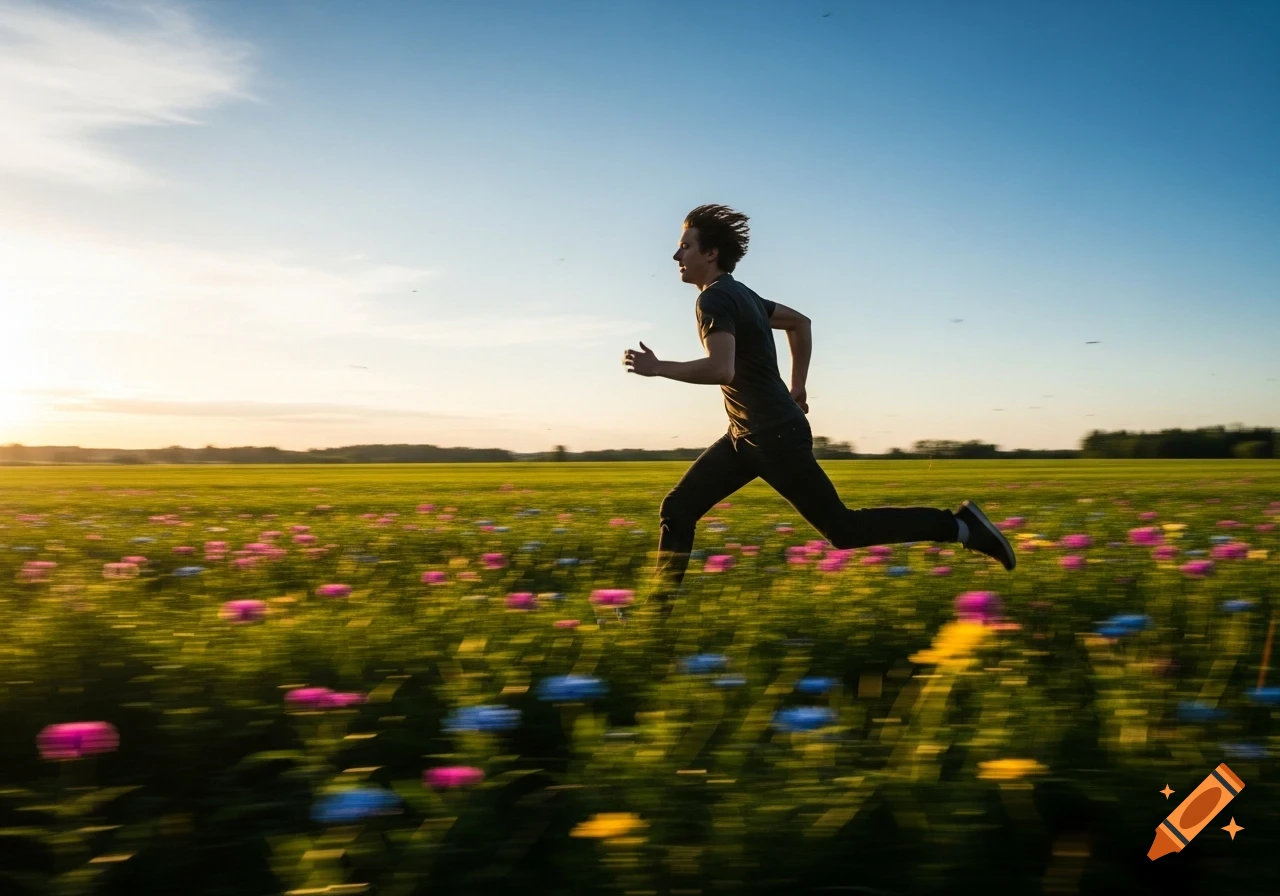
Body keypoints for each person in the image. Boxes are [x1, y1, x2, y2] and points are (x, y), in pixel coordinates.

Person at [622, 203, 1015, 617]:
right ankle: (656, 615)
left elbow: (723, 367)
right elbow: (800, 322)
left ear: (711, 253)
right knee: (678, 509)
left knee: (843, 530)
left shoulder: (715, 300)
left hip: (773, 436)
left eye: (685, 247)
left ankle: (961, 526)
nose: (675, 256)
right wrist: (798, 386)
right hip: (746, 436)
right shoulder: (745, 296)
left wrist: (659, 368)